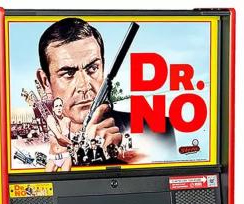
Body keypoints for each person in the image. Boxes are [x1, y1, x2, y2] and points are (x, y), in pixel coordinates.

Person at [35, 17, 175, 165]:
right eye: (68, 73)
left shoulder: (159, 129)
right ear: (45, 82)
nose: (84, 86)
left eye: (93, 68)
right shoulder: (41, 148)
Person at [45, 97, 73, 171]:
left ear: (62, 107)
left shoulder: (67, 121)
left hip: (65, 156)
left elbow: (68, 138)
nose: (59, 108)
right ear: (53, 109)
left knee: (65, 178)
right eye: (56, 106)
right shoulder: (50, 119)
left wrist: (70, 146)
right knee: (47, 177)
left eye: (60, 105)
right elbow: (59, 136)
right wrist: (71, 143)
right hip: (53, 157)